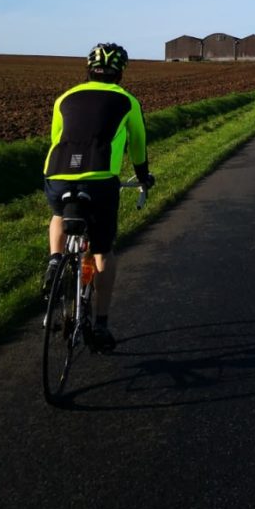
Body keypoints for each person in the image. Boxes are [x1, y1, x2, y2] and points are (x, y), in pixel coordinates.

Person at [43, 42, 154, 352]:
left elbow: (57, 138)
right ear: (120, 72)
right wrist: (143, 176)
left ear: (88, 68)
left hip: (56, 175)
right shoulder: (127, 101)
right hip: (100, 182)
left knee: (57, 215)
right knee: (103, 252)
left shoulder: (64, 98)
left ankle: (55, 260)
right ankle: (101, 323)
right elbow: (138, 145)